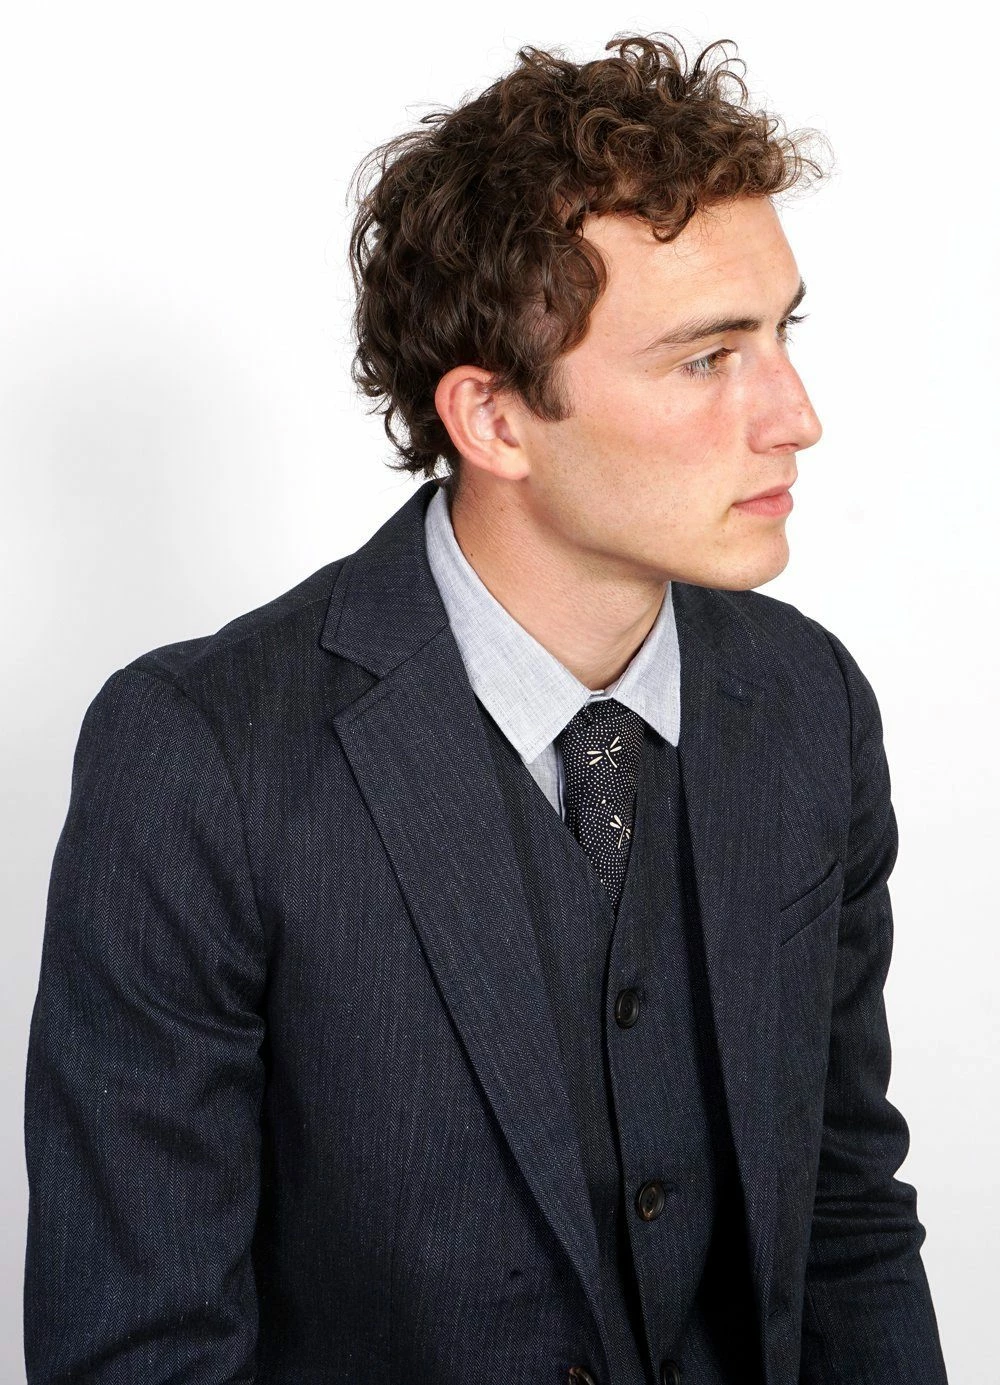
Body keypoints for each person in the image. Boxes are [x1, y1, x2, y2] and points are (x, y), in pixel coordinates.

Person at [23, 32, 949, 1385]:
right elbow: (142, 1350)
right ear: (496, 420)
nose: (794, 416)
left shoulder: (808, 704)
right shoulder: (200, 756)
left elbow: (847, 1218)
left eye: (779, 334)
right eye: (707, 358)